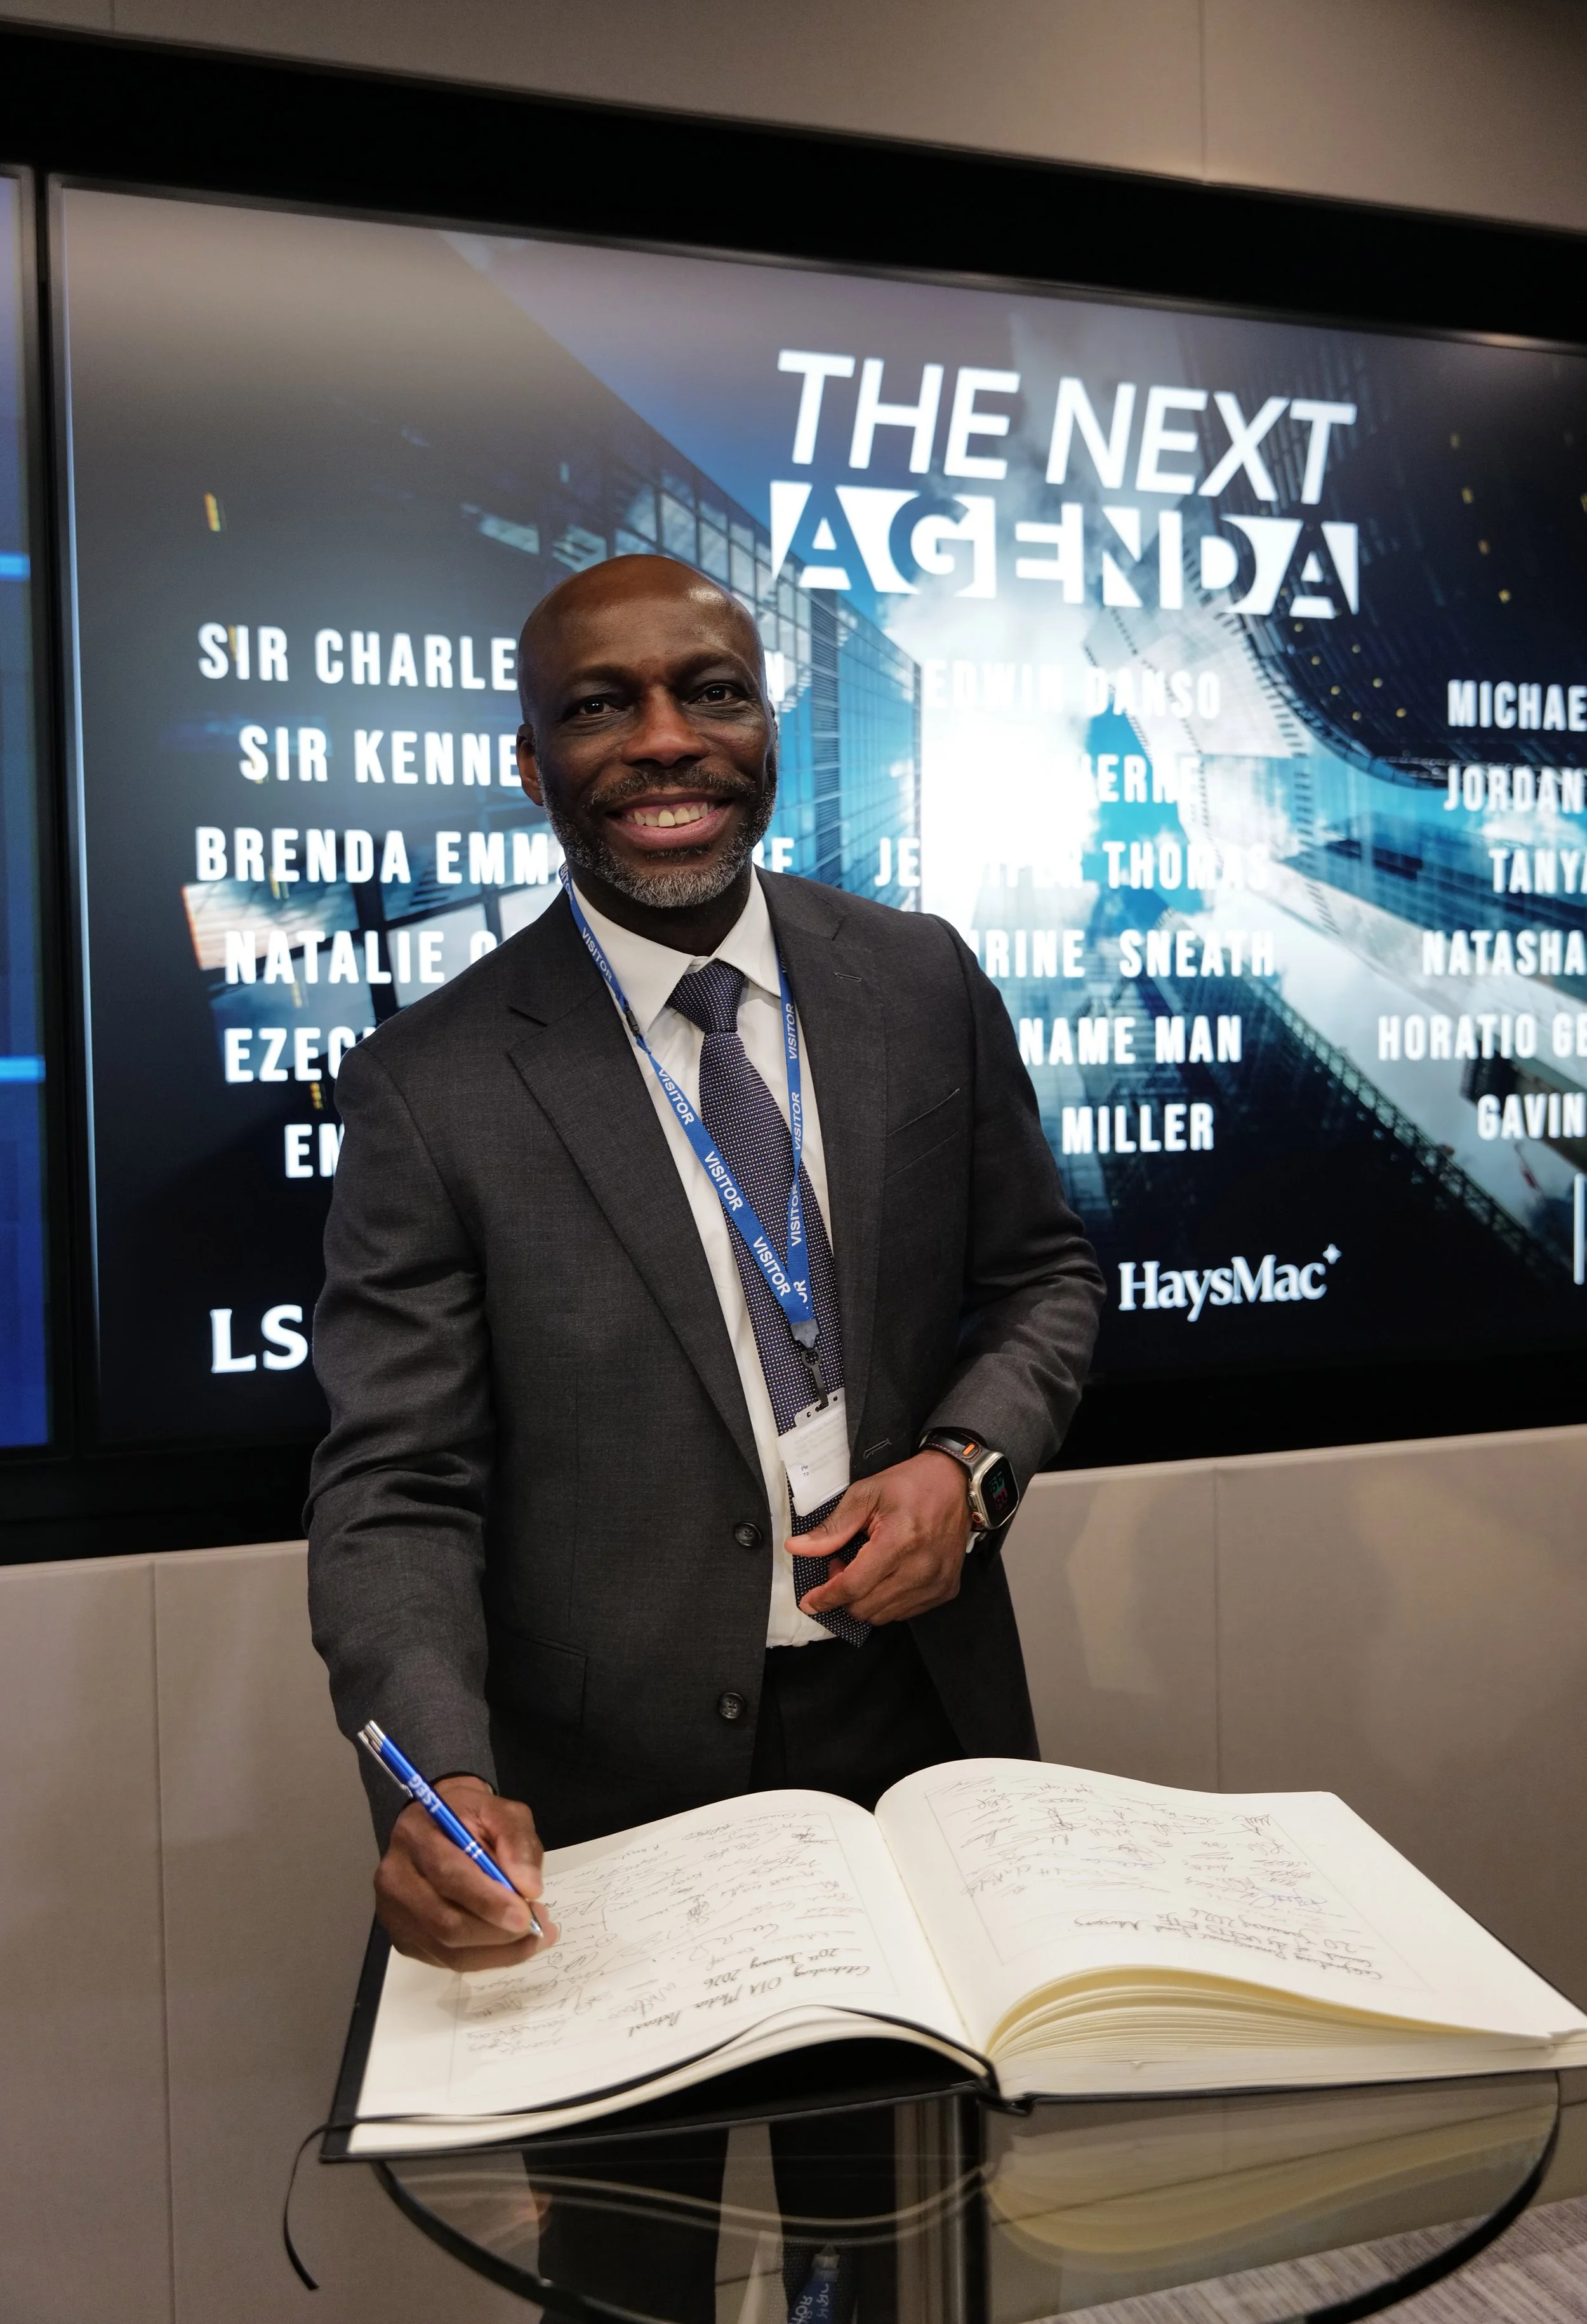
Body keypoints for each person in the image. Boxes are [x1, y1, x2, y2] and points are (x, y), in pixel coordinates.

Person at [307, 551, 1103, 2316]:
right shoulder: (433, 1082)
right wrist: (432, 1776)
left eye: (708, 692)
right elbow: (394, 1486)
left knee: (901, 2238)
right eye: (602, 704)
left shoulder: (914, 978)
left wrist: (965, 1464)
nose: (665, 740)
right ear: (533, 758)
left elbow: (1042, 1275)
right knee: (630, 2268)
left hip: (911, 1738)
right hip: (605, 1807)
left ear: (765, 721)